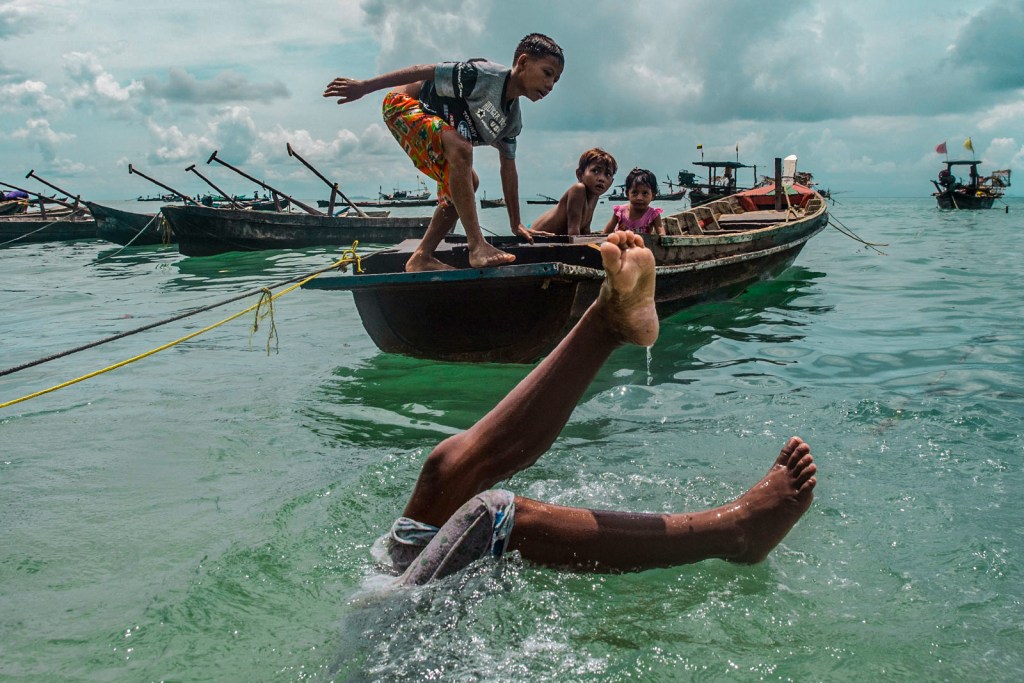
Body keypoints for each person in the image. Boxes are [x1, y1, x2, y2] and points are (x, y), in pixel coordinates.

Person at [379, 230, 818, 585]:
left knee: (446, 467)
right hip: (388, 634)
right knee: (490, 518)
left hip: (381, 585)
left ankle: (609, 321)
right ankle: (734, 533)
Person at [323, 33, 565, 272]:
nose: (550, 85)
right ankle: (476, 245)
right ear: (523, 63)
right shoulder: (483, 76)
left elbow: (508, 166)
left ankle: (421, 256)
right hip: (402, 103)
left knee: (469, 181)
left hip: (436, 126)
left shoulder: (511, 121)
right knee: (461, 147)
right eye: (547, 73)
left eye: (556, 80)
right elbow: (422, 70)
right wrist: (364, 86)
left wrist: (516, 223)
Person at [529, 148, 617, 236]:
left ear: (611, 182)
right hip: (534, 236)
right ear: (580, 174)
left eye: (607, 174)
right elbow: (573, 231)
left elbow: (585, 229)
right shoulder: (578, 189)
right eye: (595, 171)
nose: (601, 179)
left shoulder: (595, 196)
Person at [602, 168, 666, 236]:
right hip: (620, 246)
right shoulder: (619, 212)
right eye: (635, 192)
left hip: (643, 246)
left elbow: (662, 236)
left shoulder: (653, 214)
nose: (639, 198)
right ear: (627, 194)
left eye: (645, 193)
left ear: (652, 196)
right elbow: (605, 233)